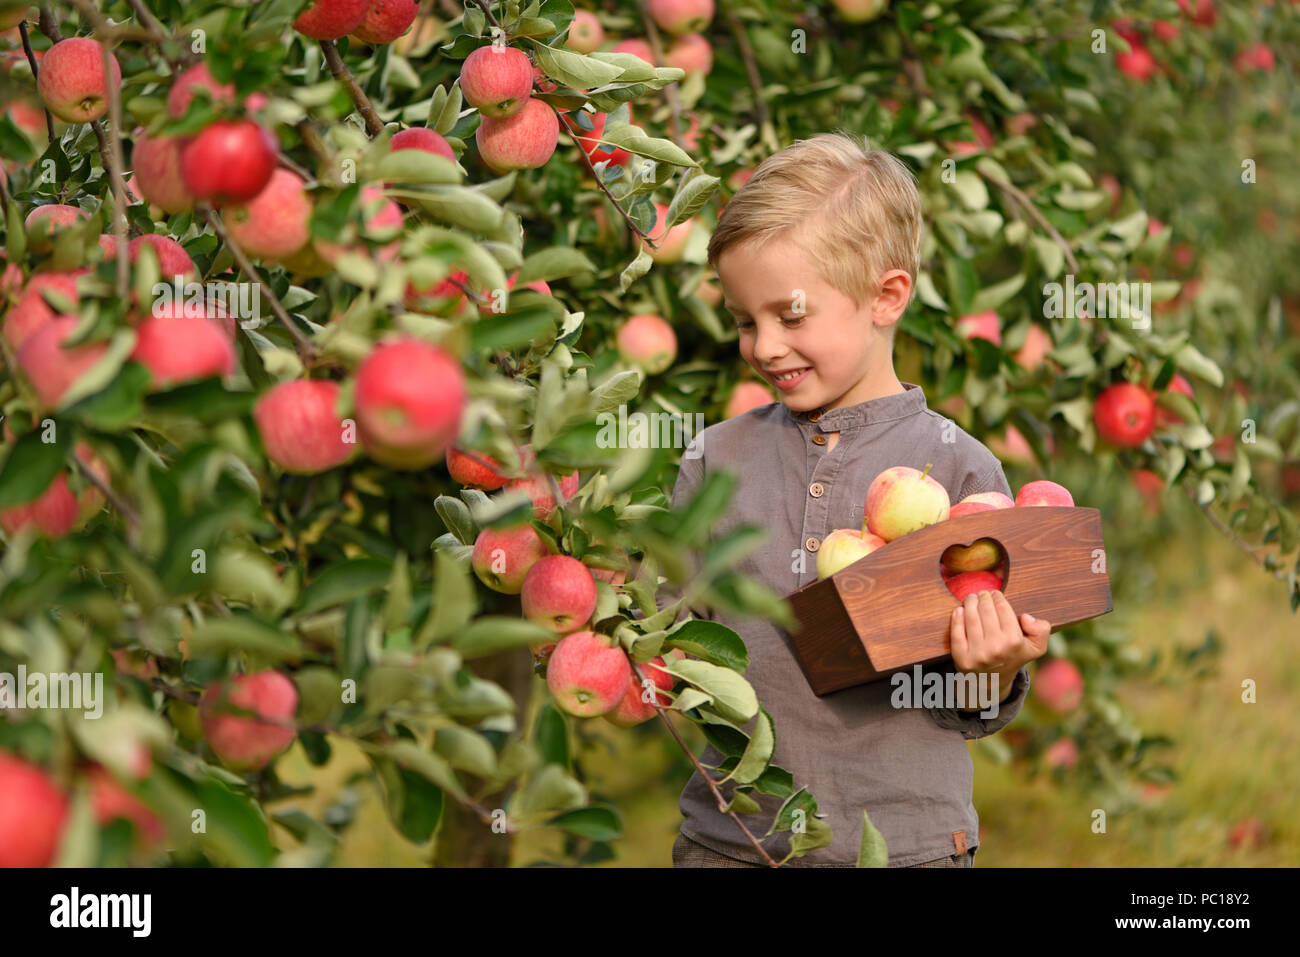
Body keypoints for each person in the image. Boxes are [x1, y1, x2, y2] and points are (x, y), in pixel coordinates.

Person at [666, 130, 1052, 868]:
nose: (765, 346)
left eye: (791, 315)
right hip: (734, 842)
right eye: (746, 321)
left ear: (887, 296)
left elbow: (967, 703)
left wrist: (994, 666)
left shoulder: (958, 471)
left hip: (905, 848)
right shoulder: (718, 458)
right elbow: (670, 640)